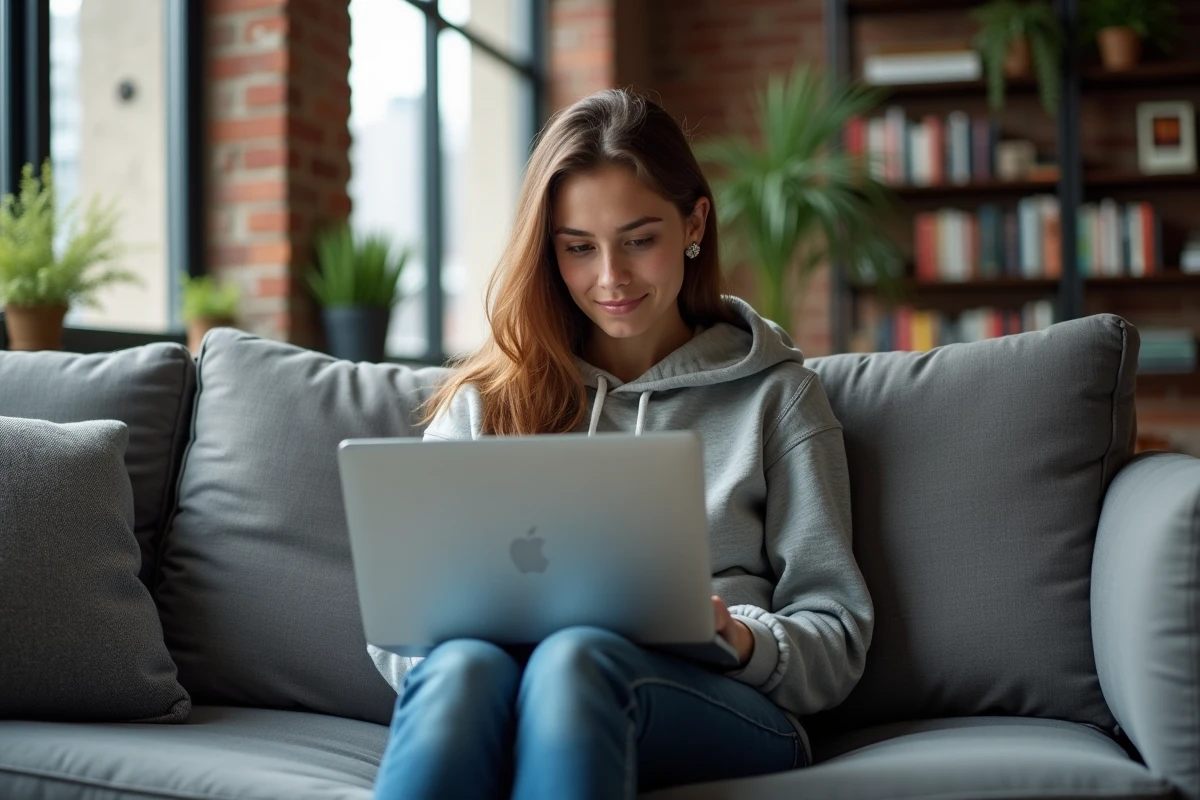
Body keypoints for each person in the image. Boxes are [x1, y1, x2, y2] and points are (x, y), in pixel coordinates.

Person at [368, 88, 873, 800]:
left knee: (575, 662)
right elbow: (399, 626)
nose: (611, 278)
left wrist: (737, 635)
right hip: (513, 686)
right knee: (462, 670)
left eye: (640, 240)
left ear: (694, 221)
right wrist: (495, 665)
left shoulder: (776, 396)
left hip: (722, 702)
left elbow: (837, 635)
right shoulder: (489, 398)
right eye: (578, 248)